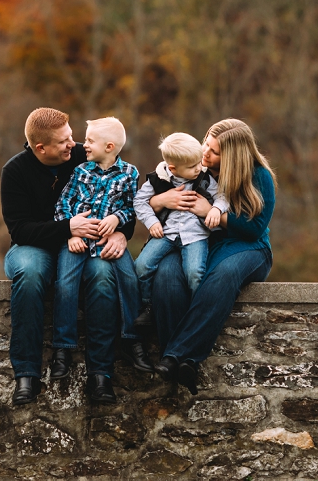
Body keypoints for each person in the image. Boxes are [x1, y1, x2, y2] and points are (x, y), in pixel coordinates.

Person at [0, 108, 137, 406]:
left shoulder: (81, 155)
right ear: (41, 148)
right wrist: (67, 228)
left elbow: (123, 197)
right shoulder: (15, 172)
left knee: (102, 277)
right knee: (31, 274)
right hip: (32, 247)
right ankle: (27, 374)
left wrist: (121, 232)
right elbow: (20, 229)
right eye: (64, 141)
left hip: (86, 245)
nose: (73, 144)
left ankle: (101, 374)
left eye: (72, 137)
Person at [149, 119, 276, 395]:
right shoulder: (195, 169)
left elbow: (255, 228)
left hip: (248, 248)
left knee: (222, 275)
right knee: (167, 274)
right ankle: (185, 366)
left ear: (233, 156)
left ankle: (175, 356)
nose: (205, 153)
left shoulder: (259, 176)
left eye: (214, 151)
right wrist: (160, 201)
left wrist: (210, 212)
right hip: (195, 243)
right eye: (206, 144)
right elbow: (157, 189)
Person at [51, 118, 150, 397]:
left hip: (107, 242)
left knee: (130, 279)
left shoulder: (130, 173)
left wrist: (117, 221)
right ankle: (63, 347)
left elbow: (133, 208)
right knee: (65, 283)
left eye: (90, 141)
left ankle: (132, 340)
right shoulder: (81, 170)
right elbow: (63, 204)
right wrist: (70, 233)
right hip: (78, 241)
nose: (85, 145)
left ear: (109, 146)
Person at [132, 132, 227, 326]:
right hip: (165, 233)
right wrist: (152, 222)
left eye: (199, 162)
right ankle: (148, 305)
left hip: (195, 236)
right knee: (142, 265)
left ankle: (197, 311)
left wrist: (216, 209)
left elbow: (222, 196)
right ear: (173, 169)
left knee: (194, 272)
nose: (199, 168)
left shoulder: (204, 178)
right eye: (192, 167)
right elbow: (139, 202)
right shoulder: (157, 180)